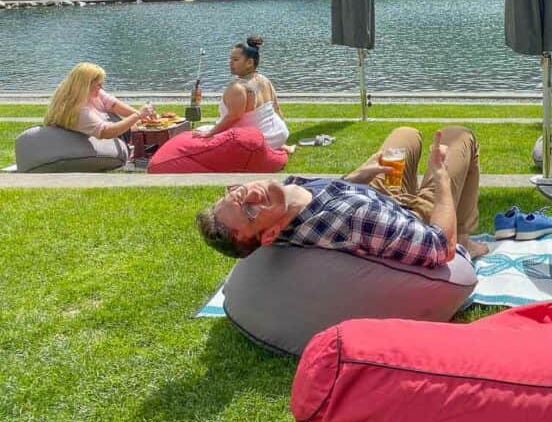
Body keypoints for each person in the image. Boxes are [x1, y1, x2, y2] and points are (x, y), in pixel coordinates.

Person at [195, 126, 489, 264]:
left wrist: (355, 178)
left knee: (406, 134)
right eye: (249, 211)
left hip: (369, 193)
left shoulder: (284, 198)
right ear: (270, 236)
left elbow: (319, 205)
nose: (251, 195)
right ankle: (466, 236)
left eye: (237, 194)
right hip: (409, 217)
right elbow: (439, 248)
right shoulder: (354, 217)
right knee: (459, 136)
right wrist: (441, 181)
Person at [195, 36, 292, 152]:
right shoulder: (264, 80)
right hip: (279, 133)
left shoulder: (238, 88)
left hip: (259, 140)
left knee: (198, 133)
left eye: (235, 60)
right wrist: (282, 134)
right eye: (230, 59)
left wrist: (210, 133)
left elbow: (234, 117)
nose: (230, 63)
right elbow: (277, 109)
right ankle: (281, 146)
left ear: (249, 62)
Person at [44, 62, 155, 140]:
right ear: (86, 86)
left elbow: (113, 104)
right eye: (98, 85)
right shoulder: (78, 111)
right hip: (102, 142)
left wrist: (144, 116)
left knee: (138, 126)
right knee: (138, 129)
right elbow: (105, 132)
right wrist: (137, 116)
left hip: (108, 134)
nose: (101, 88)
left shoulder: (87, 93)